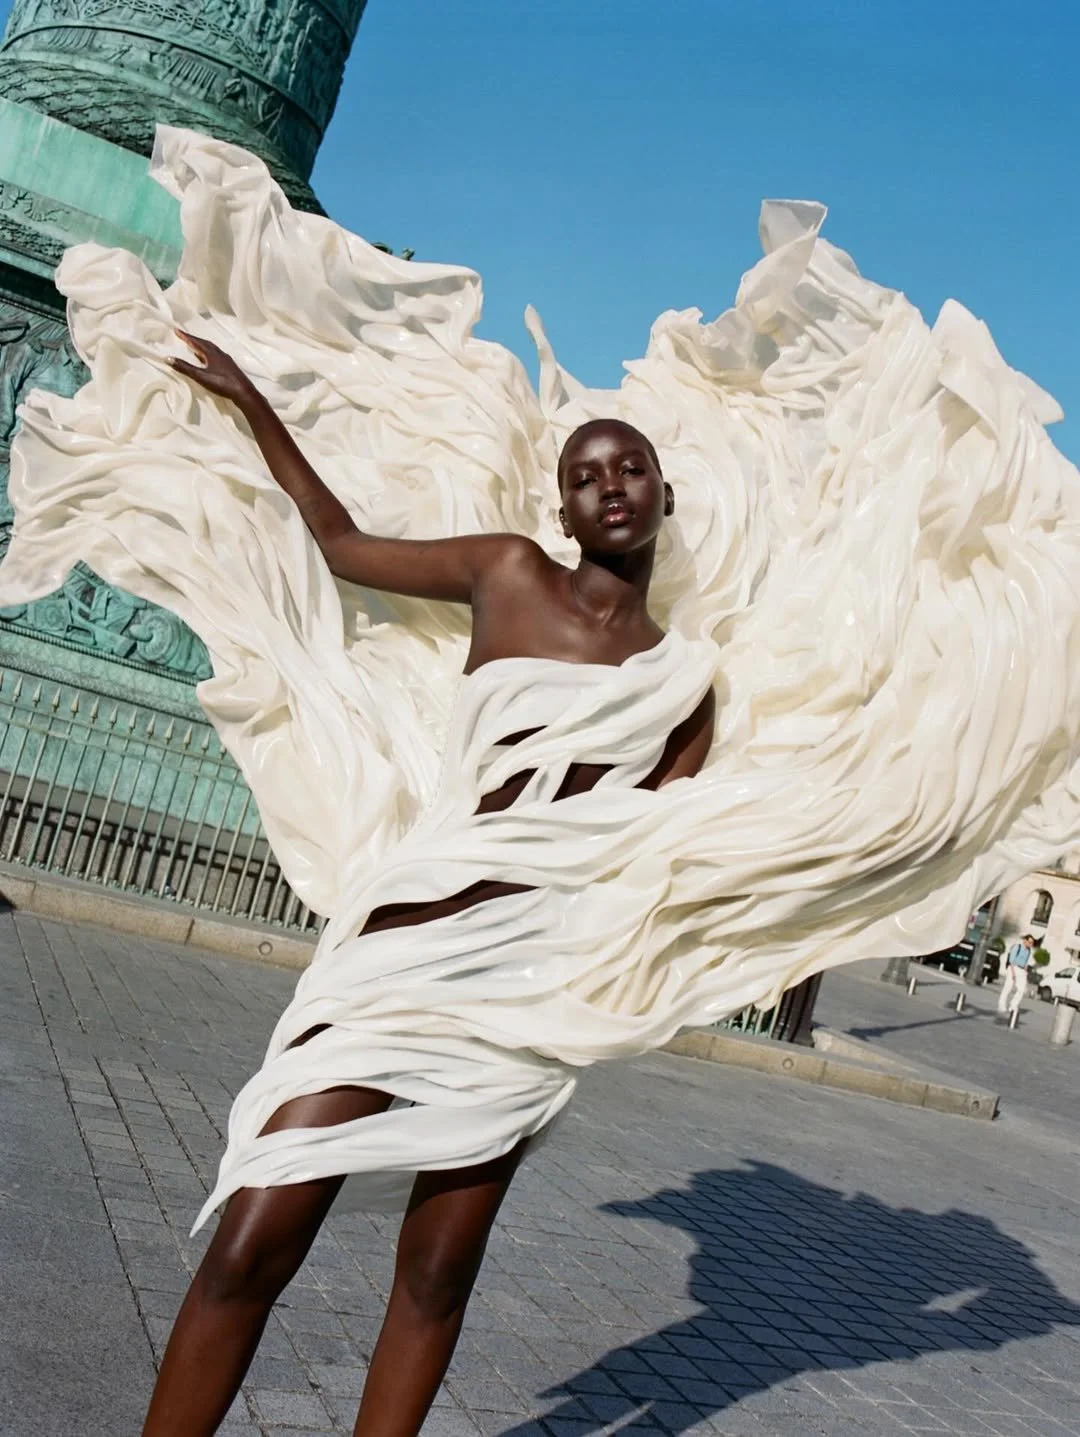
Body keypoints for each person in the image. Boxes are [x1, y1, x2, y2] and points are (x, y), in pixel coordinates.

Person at [138, 333, 716, 1437]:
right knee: (255, 1236)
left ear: (664, 494)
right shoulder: (507, 573)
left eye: (630, 467)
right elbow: (344, 544)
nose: (610, 486)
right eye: (585, 475)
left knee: (440, 1271)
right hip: (401, 947)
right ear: (562, 511)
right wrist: (254, 403)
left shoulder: (683, 684)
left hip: (526, 989)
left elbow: (652, 857)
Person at [997, 933, 1036, 1019]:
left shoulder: (1028, 951)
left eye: (1032, 943)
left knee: (1022, 989)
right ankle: (1001, 1005)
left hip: (1022, 970)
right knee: (1008, 987)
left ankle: (1013, 1006)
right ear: (1025, 941)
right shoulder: (1017, 947)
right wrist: (1013, 973)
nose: (1030, 944)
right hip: (1014, 968)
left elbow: (1026, 962)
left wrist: (1025, 972)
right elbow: (1011, 960)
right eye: (1029, 942)